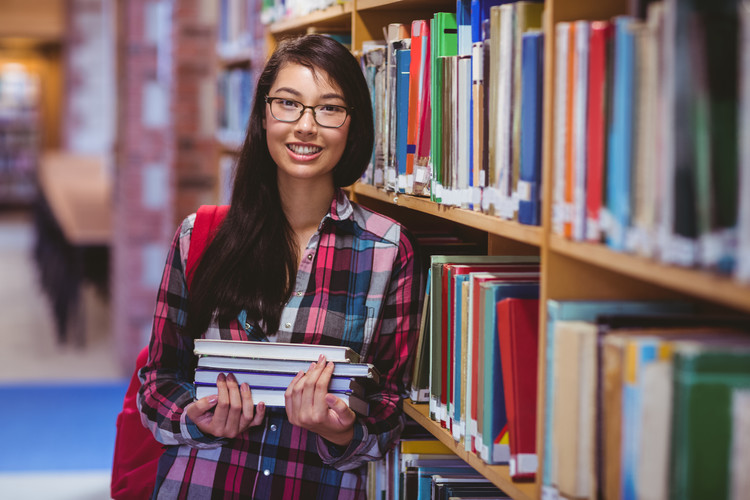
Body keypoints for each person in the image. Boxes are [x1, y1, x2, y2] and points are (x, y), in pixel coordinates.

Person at [138, 34, 424, 499]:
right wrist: (192, 418)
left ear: (354, 125)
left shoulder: (390, 251)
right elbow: (155, 383)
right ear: (263, 115)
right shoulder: (200, 236)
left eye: (329, 108)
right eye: (288, 103)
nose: (306, 126)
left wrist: (343, 432)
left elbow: (390, 406)